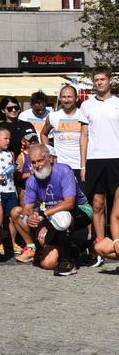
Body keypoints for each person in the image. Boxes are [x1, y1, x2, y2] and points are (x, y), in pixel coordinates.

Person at [18, 144, 92, 276]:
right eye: (33, 162)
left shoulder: (64, 171)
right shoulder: (31, 181)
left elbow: (69, 203)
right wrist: (30, 217)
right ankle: (75, 250)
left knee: (61, 218)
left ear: (50, 159)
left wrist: (44, 216)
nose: (37, 165)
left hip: (79, 210)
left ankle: (68, 263)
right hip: (51, 215)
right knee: (48, 264)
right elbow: (27, 208)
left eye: (40, 160)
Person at [79, 67, 119, 250]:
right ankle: (101, 246)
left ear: (110, 81)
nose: (100, 82)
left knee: (117, 207)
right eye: (96, 80)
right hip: (95, 159)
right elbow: (84, 136)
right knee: (97, 204)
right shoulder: (87, 105)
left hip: (116, 158)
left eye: (103, 79)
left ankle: (117, 246)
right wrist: (83, 165)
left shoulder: (118, 103)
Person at [41, 85, 86, 183]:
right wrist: (49, 153)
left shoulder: (84, 114)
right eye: (64, 97)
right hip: (60, 165)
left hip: (81, 165)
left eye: (69, 97)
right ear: (60, 98)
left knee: (83, 197)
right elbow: (43, 134)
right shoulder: (53, 116)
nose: (66, 100)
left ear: (77, 98)